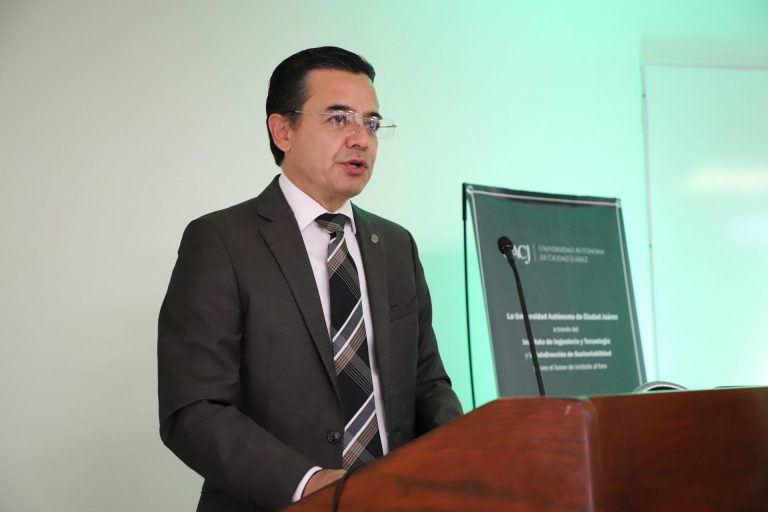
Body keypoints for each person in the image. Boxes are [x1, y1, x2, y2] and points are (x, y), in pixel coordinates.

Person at [158, 46, 462, 512]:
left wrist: (461, 457)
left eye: (372, 123)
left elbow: (428, 385)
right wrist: (308, 483)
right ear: (283, 130)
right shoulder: (220, 241)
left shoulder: (396, 245)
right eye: (339, 119)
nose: (361, 139)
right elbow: (195, 408)